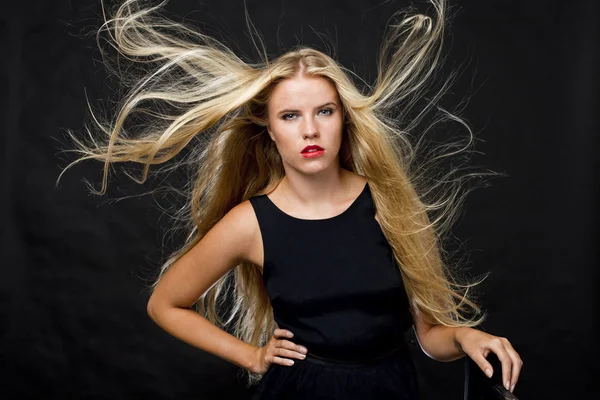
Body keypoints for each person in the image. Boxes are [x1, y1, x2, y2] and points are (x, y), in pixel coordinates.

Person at [60, 0, 522, 398]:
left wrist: (463, 335)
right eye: (290, 115)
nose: (310, 130)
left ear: (343, 118)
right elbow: (164, 303)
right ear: (270, 129)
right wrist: (251, 355)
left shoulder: (391, 203)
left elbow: (429, 336)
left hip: (391, 388)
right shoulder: (250, 223)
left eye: (324, 111)